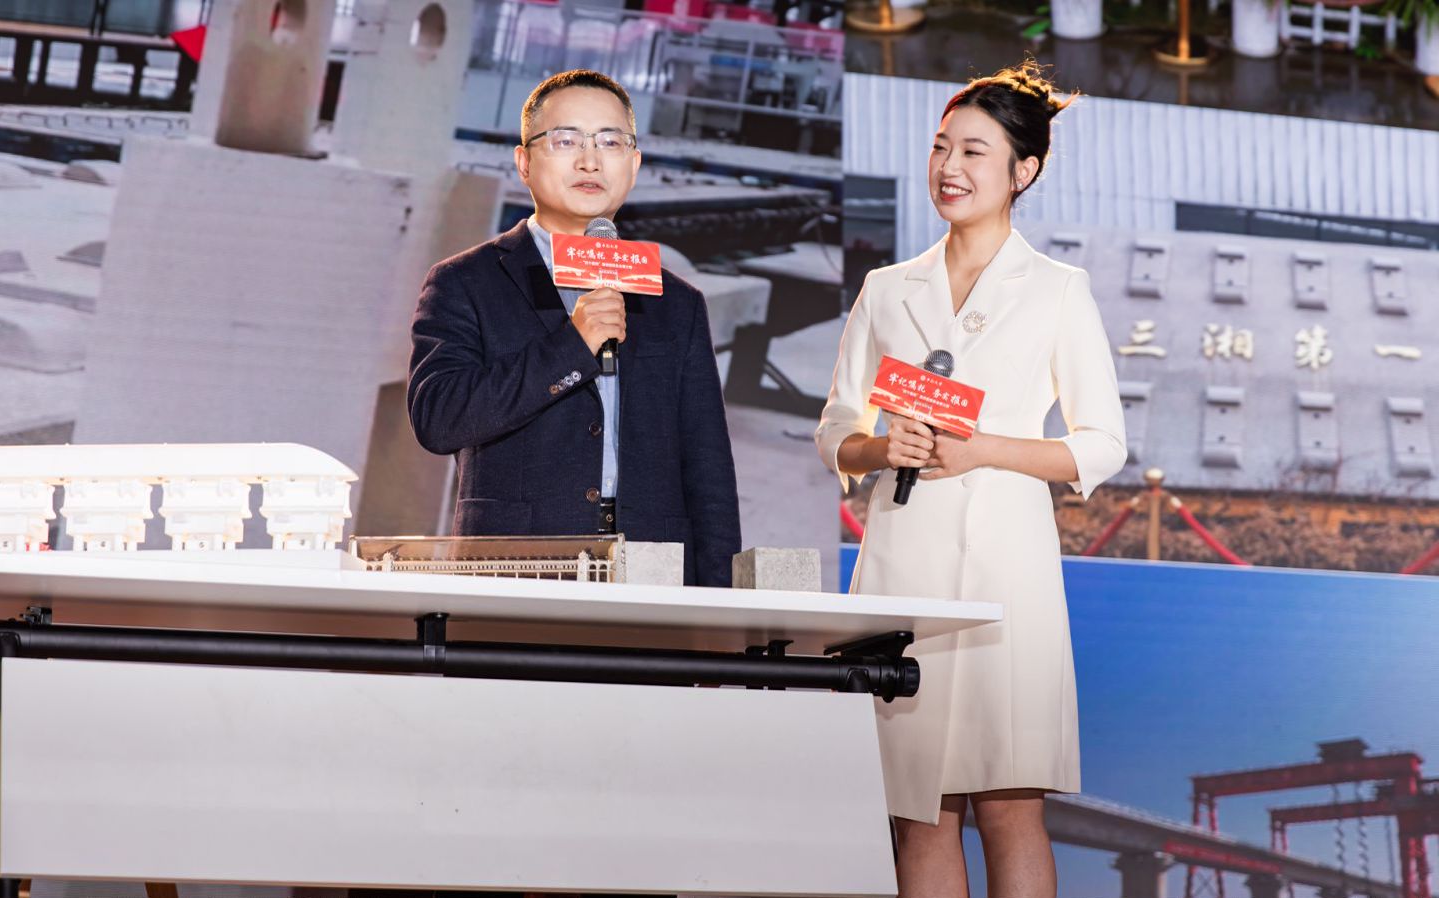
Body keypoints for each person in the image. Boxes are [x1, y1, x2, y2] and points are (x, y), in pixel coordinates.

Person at [815, 62, 1127, 898]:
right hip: (902, 567)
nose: (949, 167)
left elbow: (1101, 446)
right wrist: (882, 448)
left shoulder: (1058, 291)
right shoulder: (887, 289)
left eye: (974, 152)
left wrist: (986, 449)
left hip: (1006, 573)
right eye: (940, 147)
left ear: (1023, 170)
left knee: (1009, 806)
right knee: (919, 810)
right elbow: (836, 430)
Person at [407, 69, 741, 587]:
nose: (590, 160)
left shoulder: (678, 303)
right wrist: (571, 346)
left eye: (610, 141)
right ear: (524, 162)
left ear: (634, 164)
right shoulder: (465, 281)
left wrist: (719, 607)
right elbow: (439, 418)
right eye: (566, 141)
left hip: (651, 574)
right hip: (516, 572)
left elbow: (709, 472)